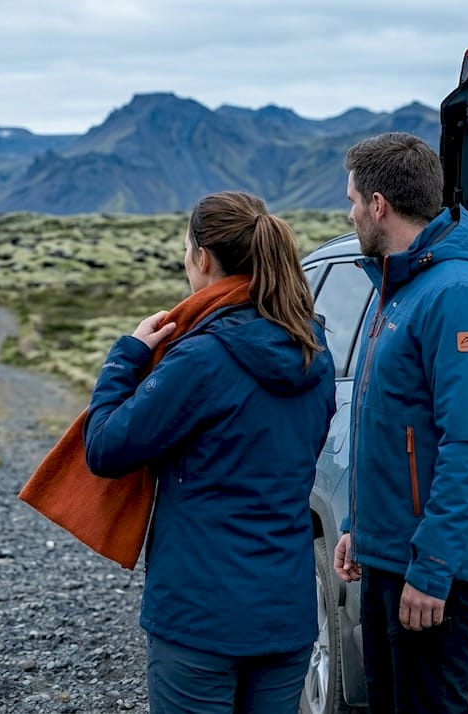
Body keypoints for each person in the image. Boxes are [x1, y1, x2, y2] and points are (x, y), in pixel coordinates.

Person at [83, 190, 336, 713]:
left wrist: (126, 357)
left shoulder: (201, 358)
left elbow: (106, 448)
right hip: (285, 610)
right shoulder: (315, 352)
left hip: (200, 615)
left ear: (202, 258)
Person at [332, 133, 468, 714]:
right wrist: (363, 528)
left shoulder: (457, 292)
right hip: (392, 555)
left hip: (432, 568)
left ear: (379, 204)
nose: (351, 212)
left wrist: (434, 569)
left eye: (354, 200)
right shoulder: (404, 283)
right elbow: (394, 428)